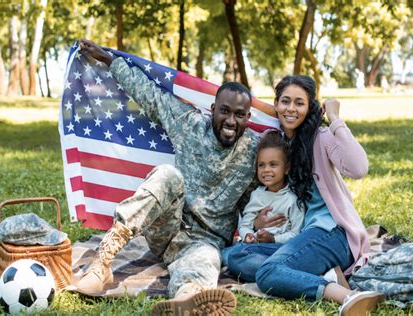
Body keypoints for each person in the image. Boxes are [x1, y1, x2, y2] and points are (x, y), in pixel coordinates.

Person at [76, 39, 284, 315]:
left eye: (239, 115)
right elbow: (150, 94)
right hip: (166, 226)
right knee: (167, 174)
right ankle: (103, 262)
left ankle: (188, 298)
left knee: (205, 262)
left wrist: (255, 224)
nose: (231, 121)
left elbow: (266, 190)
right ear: (213, 109)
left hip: (205, 241)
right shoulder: (189, 124)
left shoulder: (255, 153)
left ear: (248, 117)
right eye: (224, 111)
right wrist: (108, 60)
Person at [224, 75, 385, 315]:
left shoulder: (321, 137)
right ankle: (325, 274)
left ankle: (347, 296)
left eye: (299, 103)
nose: (291, 109)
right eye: (285, 101)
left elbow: (358, 167)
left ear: (310, 107)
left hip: (332, 233)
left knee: (267, 273)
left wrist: (336, 118)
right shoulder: (278, 143)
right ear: (276, 104)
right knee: (236, 256)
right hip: (299, 236)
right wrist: (257, 223)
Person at [238, 131, 303, 244]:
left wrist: (273, 239)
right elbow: (245, 225)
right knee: (231, 254)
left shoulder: (292, 200)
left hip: (278, 248)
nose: (266, 169)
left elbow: (297, 233)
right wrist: (248, 236)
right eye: (261, 165)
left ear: (286, 168)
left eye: (273, 164)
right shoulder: (257, 195)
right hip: (254, 246)